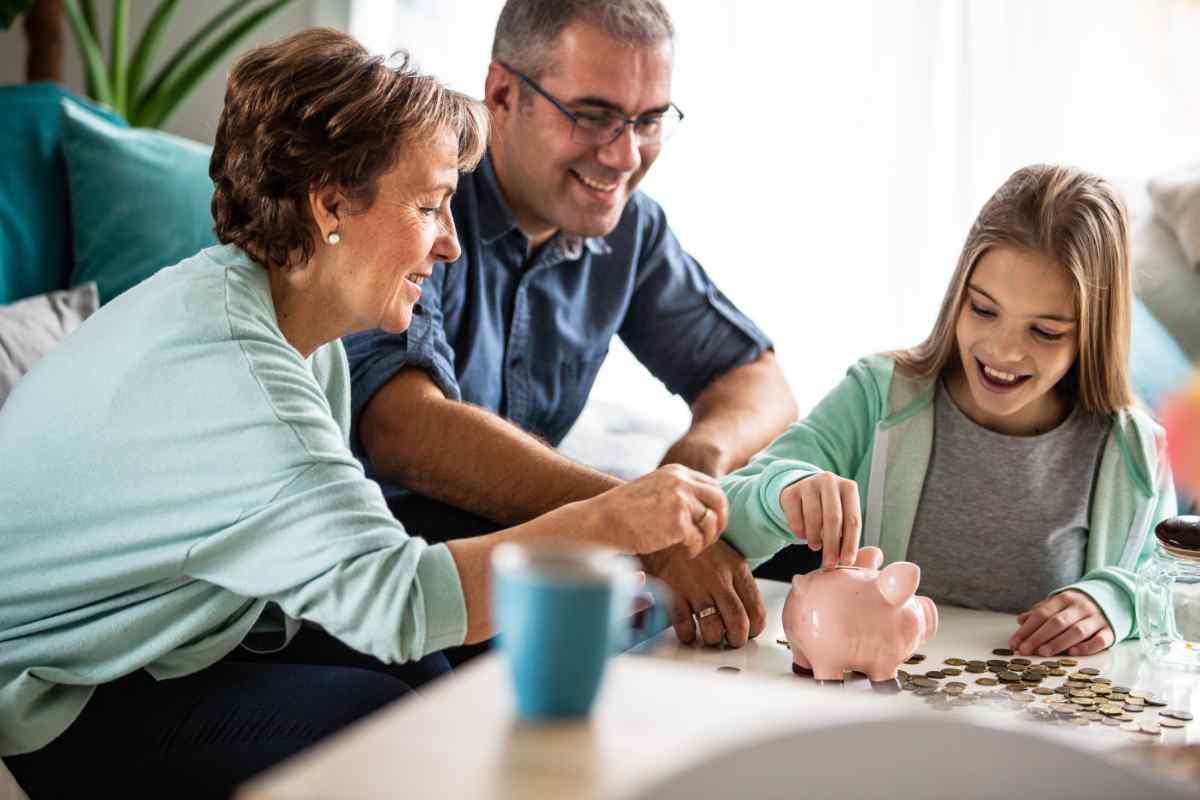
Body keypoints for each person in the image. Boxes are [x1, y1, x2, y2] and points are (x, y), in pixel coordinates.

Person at [0, 29, 726, 797]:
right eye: (428, 207)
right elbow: (401, 602)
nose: (448, 246)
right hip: (52, 697)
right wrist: (614, 519)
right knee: (397, 724)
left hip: (169, 639)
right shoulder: (242, 375)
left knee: (433, 675)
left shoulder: (279, 322)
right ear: (331, 204)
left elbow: (357, 573)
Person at [345, 0, 801, 655]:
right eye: (592, 115)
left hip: (536, 537)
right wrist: (634, 520)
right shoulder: (423, 194)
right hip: (396, 543)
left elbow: (758, 381)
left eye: (648, 121)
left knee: (791, 545)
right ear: (502, 94)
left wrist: (690, 470)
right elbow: (402, 427)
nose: (624, 155)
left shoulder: (631, 229)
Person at [720, 164, 1177, 658]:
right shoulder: (877, 395)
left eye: (1044, 332)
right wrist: (783, 490)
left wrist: (1116, 600)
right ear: (959, 294)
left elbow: (1173, 591)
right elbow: (725, 514)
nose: (1002, 351)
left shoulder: (1135, 450)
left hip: (1038, 722)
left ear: (1093, 331)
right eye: (983, 309)